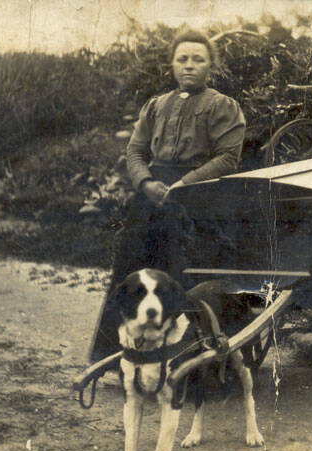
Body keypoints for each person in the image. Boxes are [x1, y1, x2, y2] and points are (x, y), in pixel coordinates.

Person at [88, 30, 246, 364]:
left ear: (211, 66)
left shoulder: (222, 106)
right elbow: (134, 150)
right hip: (150, 199)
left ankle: (183, 359)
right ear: (172, 64)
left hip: (199, 201)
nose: (189, 66)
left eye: (198, 60)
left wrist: (185, 184)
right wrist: (145, 182)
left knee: (179, 273)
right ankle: (119, 357)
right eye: (182, 59)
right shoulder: (156, 106)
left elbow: (227, 158)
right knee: (131, 273)